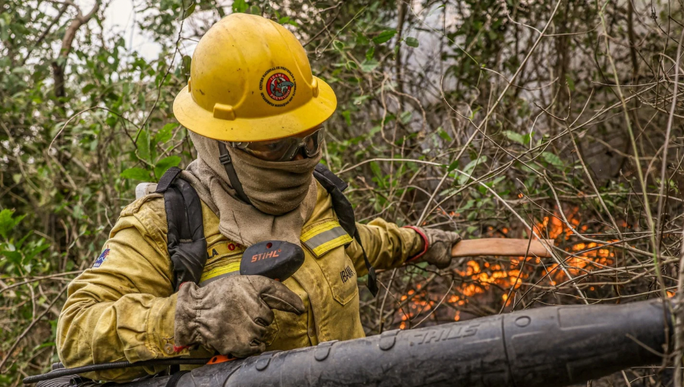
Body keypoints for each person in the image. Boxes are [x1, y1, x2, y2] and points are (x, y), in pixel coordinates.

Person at [56, 13, 460, 382]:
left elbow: (354, 243)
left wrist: (421, 241)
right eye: (274, 146)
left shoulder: (315, 195)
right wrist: (190, 315)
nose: (298, 159)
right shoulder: (162, 224)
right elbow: (76, 330)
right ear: (219, 145)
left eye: (306, 139)